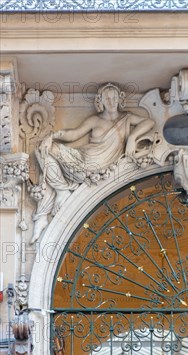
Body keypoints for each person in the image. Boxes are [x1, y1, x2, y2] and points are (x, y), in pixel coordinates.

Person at [31, 83, 155, 243]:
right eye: (107, 98)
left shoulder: (127, 118)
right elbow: (74, 135)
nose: (111, 101)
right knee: (41, 149)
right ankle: (61, 190)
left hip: (103, 168)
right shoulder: (95, 120)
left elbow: (149, 122)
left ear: (120, 99)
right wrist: (52, 137)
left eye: (114, 98)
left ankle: (59, 193)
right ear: (101, 101)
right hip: (82, 161)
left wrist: (132, 137)